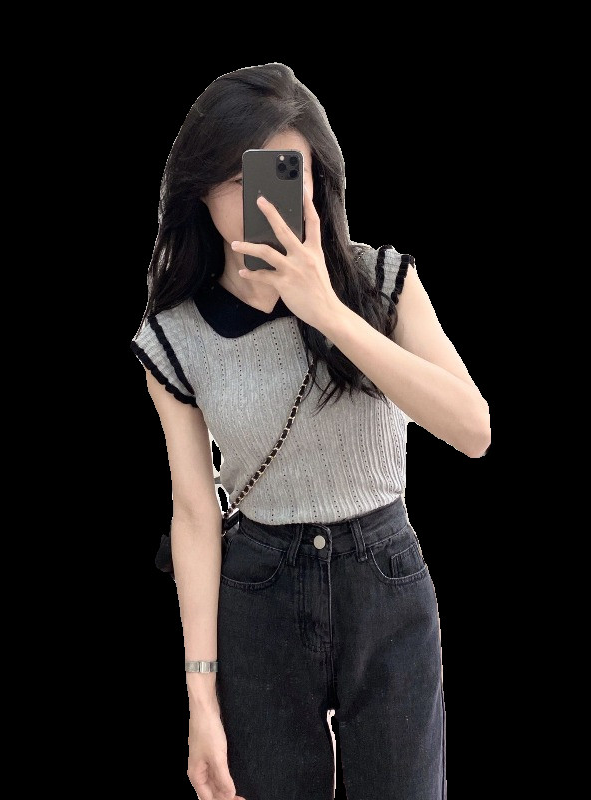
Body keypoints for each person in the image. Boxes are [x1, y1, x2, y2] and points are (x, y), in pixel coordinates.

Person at [130, 62, 490, 800]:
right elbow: (195, 513)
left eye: (280, 173)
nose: (259, 198)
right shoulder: (176, 339)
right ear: (201, 188)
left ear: (315, 180)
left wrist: (325, 309)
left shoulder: (379, 282)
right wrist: (200, 697)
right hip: (258, 589)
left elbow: (472, 428)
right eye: (238, 177)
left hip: (385, 578)